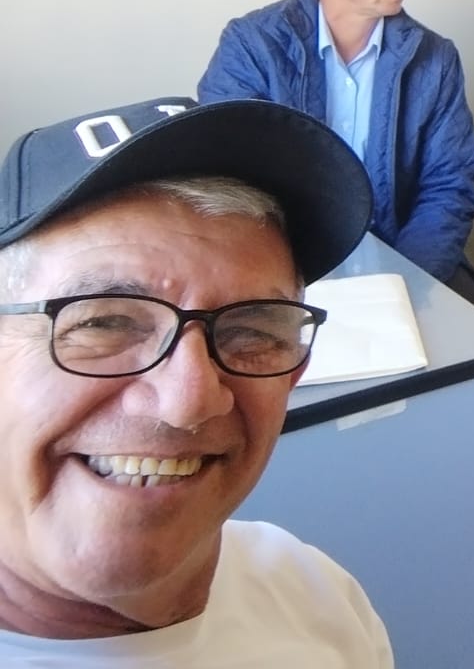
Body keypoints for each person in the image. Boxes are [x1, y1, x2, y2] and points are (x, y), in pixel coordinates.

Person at [0, 95, 392, 665]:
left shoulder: (317, 595)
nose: (189, 400)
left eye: (251, 331)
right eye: (104, 322)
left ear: (294, 374)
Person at [198, 0, 474, 307]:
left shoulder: (434, 57)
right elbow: (228, 181)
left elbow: (449, 184)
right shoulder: (252, 46)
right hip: (286, 263)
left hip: (404, 256)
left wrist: (403, 284)